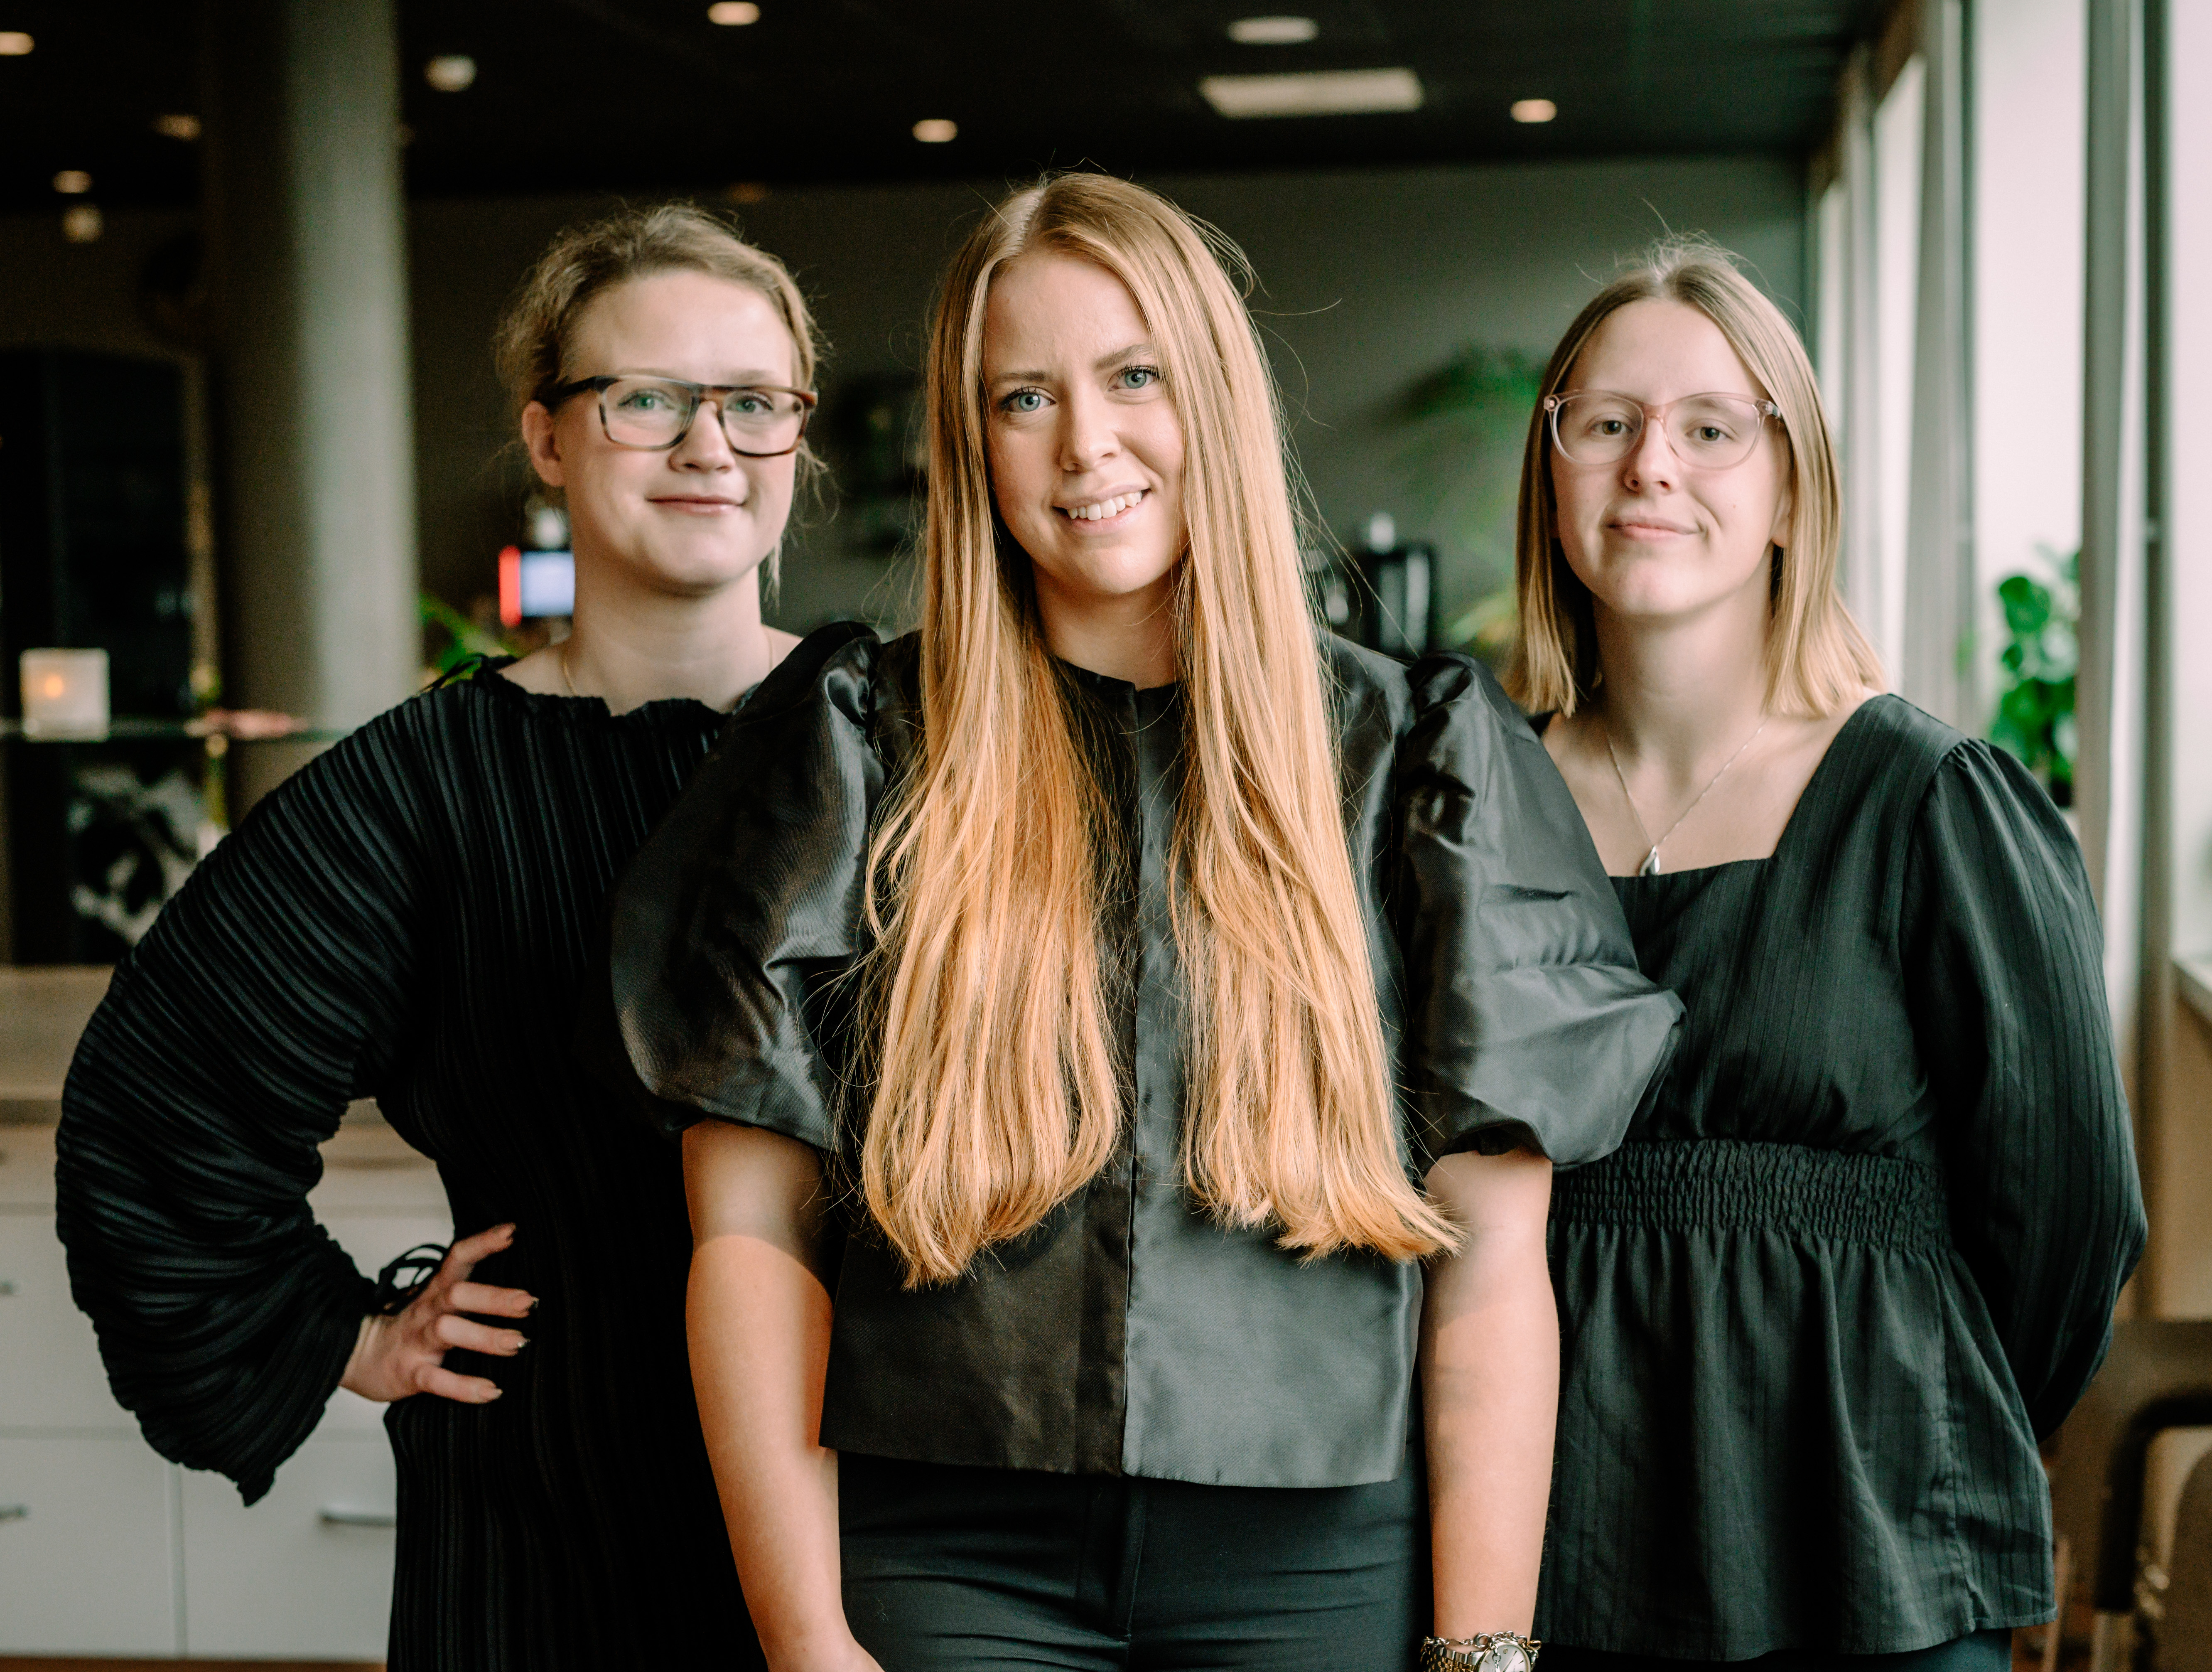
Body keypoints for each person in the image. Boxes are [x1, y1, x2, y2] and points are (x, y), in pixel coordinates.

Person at [601, 172, 1682, 1672]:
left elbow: (1495, 1265)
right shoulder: (851, 743)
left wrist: (1483, 1659)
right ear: (970, 441)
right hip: (946, 1559)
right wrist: (806, 1642)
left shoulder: (1421, 754)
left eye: (1133, 378)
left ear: (1216, 398)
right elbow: (745, 1230)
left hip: (1317, 1568)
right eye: (1023, 398)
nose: (1085, 445)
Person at [56, 202, 819, 1670]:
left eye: (752, 402)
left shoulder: (916, 742)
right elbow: (161, 1101)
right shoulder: (426, 784)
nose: (708, 446)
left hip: (898, 1511)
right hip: (555, 1512)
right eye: (646, 400)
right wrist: (347, 1335)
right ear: (549, 438)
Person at [1516, 240, 2147, 1672]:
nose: (1650, 465)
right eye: (1604, 423)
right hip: (1551, 1541)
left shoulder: (1932, 804)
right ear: (1552, 472)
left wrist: (1918, 1430)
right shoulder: (1470, 802)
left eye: (1711, 429)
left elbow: (2069, 1214)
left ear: (1794, 490)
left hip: (1871, 1545)